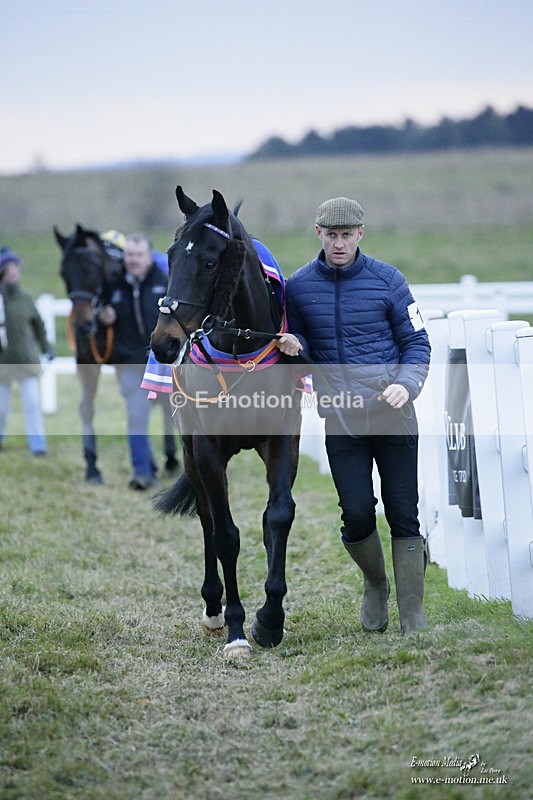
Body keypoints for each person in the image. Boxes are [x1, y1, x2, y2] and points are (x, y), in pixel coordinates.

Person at [276, 197, 431, 635]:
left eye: (347, 235)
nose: (339, 243)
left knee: (404, 513)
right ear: (318, 233)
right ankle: (376, 584)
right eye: (332, 235)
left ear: (360, 234)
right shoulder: (299, 287)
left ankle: (413, 614)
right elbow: (302, 353)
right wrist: (295, 347)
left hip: (393, 414)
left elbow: (418, 343)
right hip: (341, 419)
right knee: (357, 512)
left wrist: (408, 383)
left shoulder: (389, 280)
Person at [100, 232, 177, 490]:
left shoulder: (165, 282)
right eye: (129, 255)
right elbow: (95, 321)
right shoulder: (113, 285)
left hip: (166, 364)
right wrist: (103, 317)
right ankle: (142, 473)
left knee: (177, 416)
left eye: (138, 255)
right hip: (131, 365)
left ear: (149, 256)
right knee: (137, 416)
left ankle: (179, 461)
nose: (133, 260)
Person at [0, 249, 54, 456]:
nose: (13, 273)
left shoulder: (26, 297)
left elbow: (38, 326)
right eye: (9, 269)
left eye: (16, 269)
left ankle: (38, 446)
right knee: (2, 409)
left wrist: (46, 347)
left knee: (32, 405)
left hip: (26, 362)